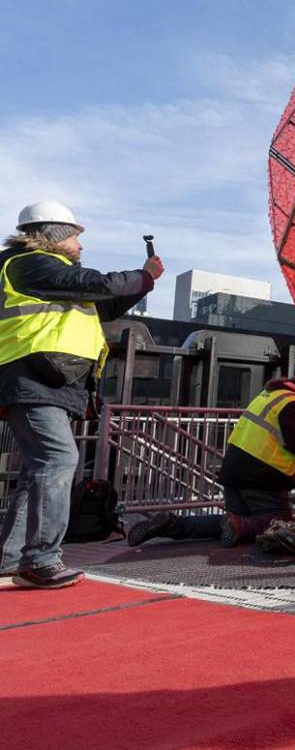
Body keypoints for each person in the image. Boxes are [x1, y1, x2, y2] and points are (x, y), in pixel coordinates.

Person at [0, 202, 160, 589]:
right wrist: (141, 275)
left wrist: (145, 283)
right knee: (58, 458)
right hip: (32, 379)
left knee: (39, 470)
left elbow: (103, 306)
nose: (81, 246)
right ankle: (40, 561)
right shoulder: (29, 262)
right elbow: (100, 284)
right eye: (75, 236)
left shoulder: (49, 275)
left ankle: (11, 561)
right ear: (53, 234)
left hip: (44, 381)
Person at [127, 365, 295, 548]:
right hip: (261, 476)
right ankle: (240, 527)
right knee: (281, 523)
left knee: (228, 524)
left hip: (234, 469)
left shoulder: (270, 394)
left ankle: (171, 525)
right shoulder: (294, 403)